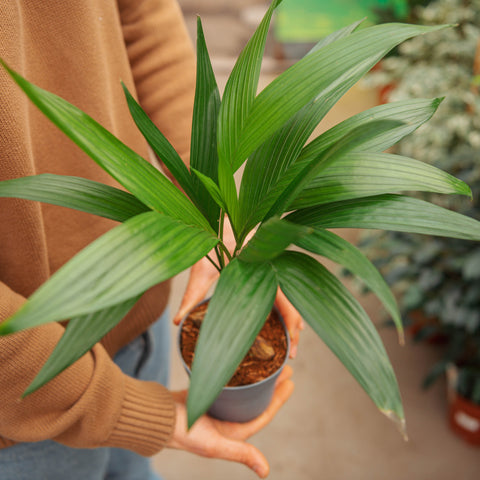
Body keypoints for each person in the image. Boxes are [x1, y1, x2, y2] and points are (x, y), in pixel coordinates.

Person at [0, 1, 300, 479]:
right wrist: (121, 411)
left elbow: (140, 15)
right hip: (24, 410)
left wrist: (212, 204)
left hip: (141, 322)